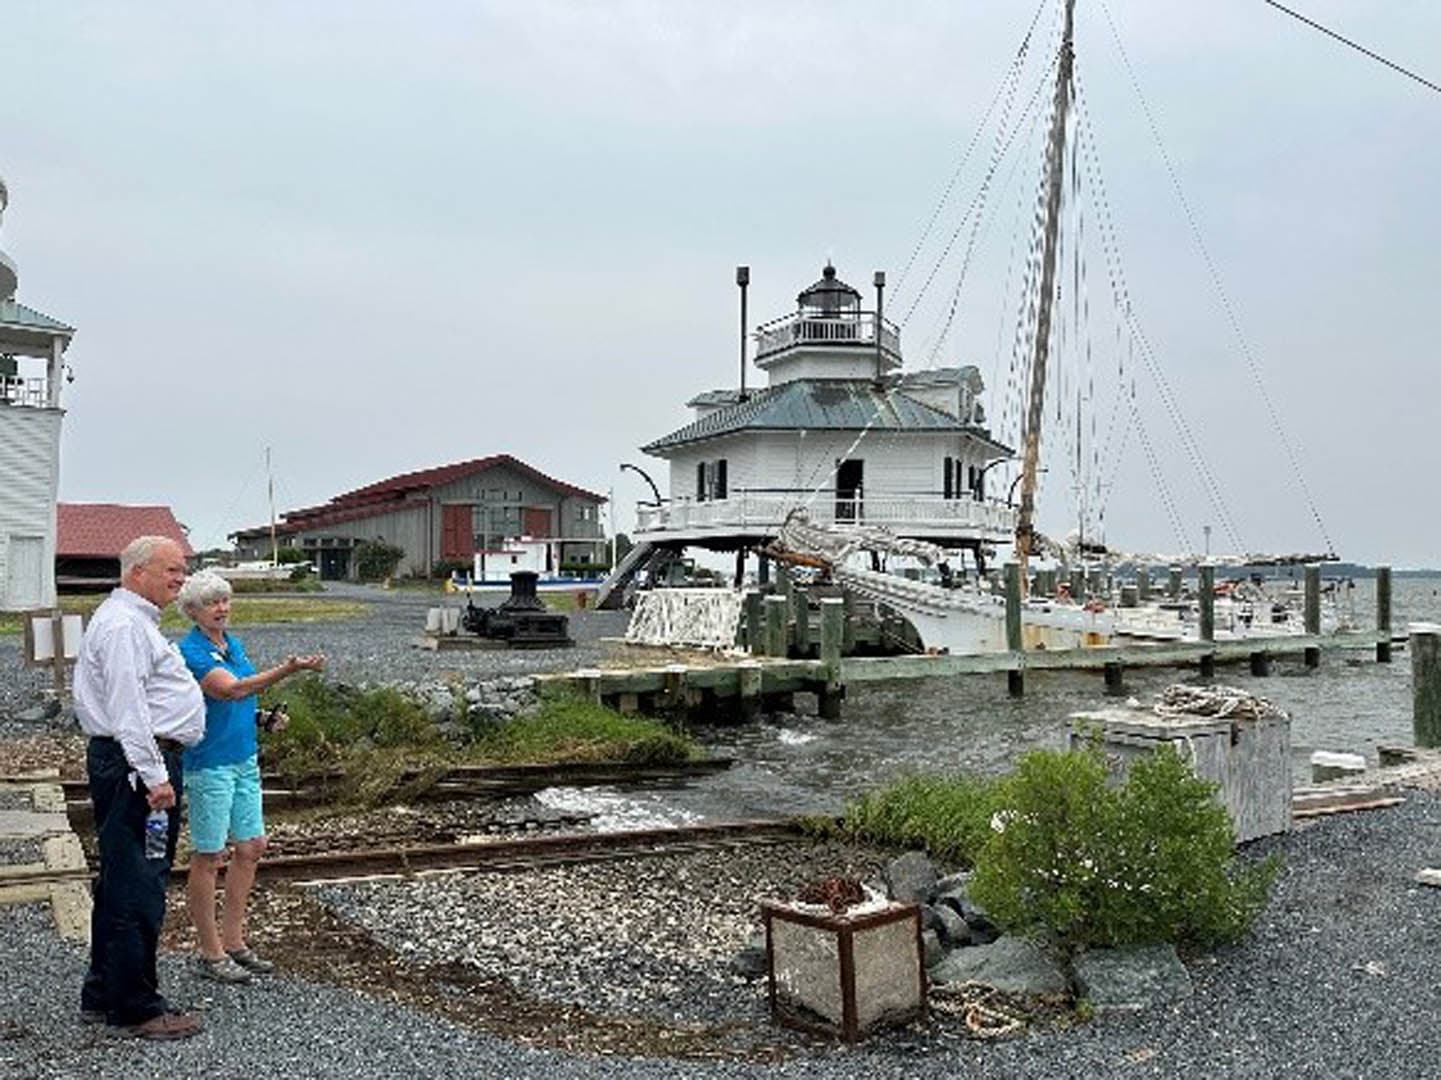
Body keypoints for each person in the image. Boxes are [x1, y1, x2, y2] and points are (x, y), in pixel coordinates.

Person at [73, 536, 206, 1040]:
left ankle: (105, 992)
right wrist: (154, 776)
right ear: (137, 572)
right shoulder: (126, 626)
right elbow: (129, 710)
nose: (181, 578)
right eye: (172, 569)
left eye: (183, 569)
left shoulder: (129, 621)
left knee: (121, 882)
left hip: (130, 763)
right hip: (137, 767)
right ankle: (135, 1007)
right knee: (138, 886)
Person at [175, 570, 324, 984]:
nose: (221, 608)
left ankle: (234, 941)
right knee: (210, 854)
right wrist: (289, 668)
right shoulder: (191, 651)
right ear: (192, 611)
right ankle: (209, 951)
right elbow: (230, 690)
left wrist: (262, 718)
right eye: (211, 602)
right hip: (210, 763)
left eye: (224, 599)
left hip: (244, 757)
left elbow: (241, 701)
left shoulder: (232, 644)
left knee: (252, 845)